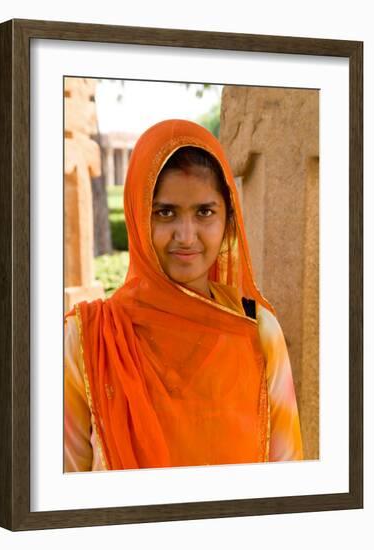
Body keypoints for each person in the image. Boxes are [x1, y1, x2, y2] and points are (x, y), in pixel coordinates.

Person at [64, 119, 303, 472]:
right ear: (137, 214)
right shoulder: (89, 338)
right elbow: (65, 481)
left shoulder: (257, 329)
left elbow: (286, 474)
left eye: (204, 212)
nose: (186, 236)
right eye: (165, 213)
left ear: (228, 219)